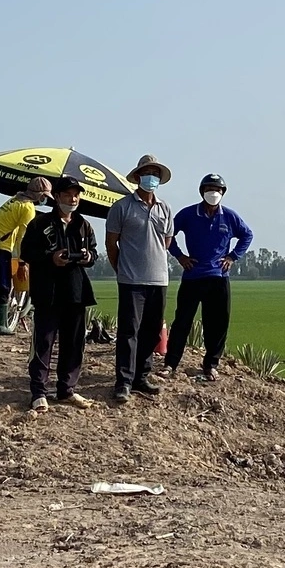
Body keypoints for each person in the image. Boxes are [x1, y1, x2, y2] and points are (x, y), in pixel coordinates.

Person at [18, 177, 99, 411]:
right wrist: (50, 257)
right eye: (67, 195)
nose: (73, 199)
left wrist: (87, 257)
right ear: (56, 197)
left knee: (73, 343)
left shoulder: (83, 224)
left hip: (75, 291)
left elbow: (93, 252)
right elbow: (27, 252)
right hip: (48, 292)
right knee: (43, 343)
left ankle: (67, 389)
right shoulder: (39, 223)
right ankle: (38, 392)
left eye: (76, 195)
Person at [168, 173, 253, 382]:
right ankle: (170, 364)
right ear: (202, 191)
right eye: (209, 189)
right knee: (182, 322)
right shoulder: (188, 214)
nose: (213, 193)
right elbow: (168, 234)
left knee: (217, 323)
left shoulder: (230, 216)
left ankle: (211, 364)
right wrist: (180, 256)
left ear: (223, 193)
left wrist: (232, 256)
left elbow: (247, 235)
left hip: (219, 277)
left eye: (217, 190)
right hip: (193, 276)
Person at [104, 153, 176, 403]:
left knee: (152, 331)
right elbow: (111, 244)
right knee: (128, 332)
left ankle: (141, 377)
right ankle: (123, 381)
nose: (151, 178)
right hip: (131, 281)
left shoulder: (165, 208)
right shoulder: (121, 207)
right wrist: (121, 269)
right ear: (137, 177)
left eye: (155, 174)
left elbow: (166, 242)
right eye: (147, 173)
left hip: (159, 279)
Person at [0, 177, 46, 335]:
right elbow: (24, 237)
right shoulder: (28, 208)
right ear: (39, 195)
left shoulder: (14, 200)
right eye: (44, 196)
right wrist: (22, 262)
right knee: (3, 286)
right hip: (0, 248)